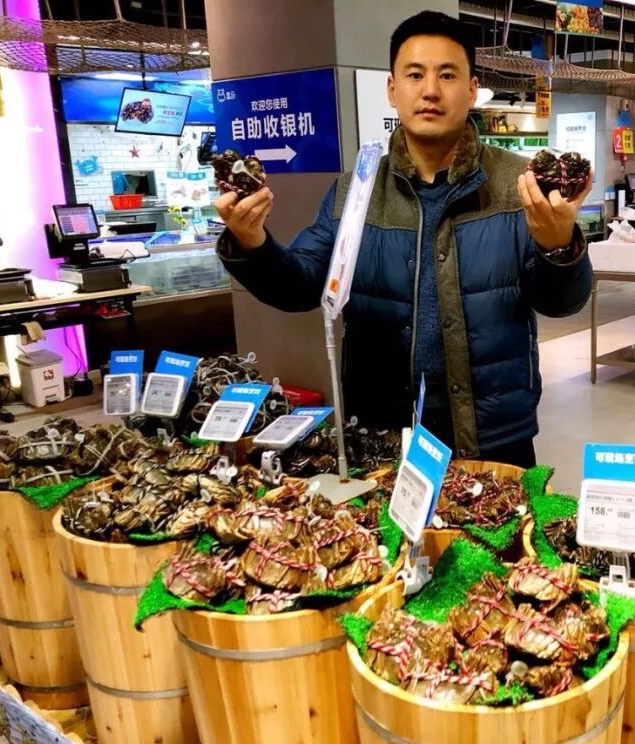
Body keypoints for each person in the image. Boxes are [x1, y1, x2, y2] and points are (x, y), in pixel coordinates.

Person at [213, 11, 593, 467]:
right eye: (415, 75)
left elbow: (562, 303)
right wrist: (251, 243)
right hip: (382, 434)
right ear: (392, 90)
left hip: (493, 435)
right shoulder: (356, 192)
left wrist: (558, 246)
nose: (430, 90)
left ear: (472, 89)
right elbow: (300, 285)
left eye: (447, 75)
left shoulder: (519, 186)